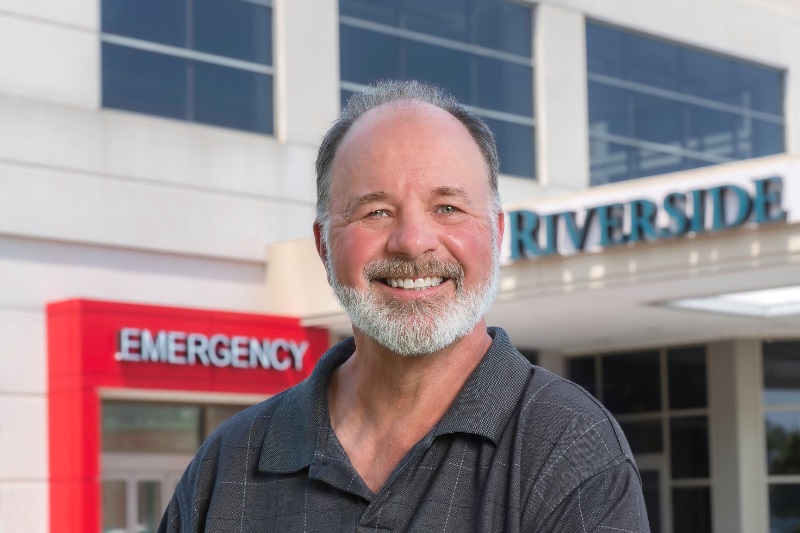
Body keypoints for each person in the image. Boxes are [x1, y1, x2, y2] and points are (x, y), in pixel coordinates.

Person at [158, 80, 650, 532]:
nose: (413, 242)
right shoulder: (227, 466)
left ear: (496, 234)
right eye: (376, 211)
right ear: (324, 246)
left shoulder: (570, 447)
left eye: (448, 208)